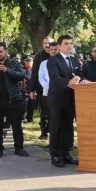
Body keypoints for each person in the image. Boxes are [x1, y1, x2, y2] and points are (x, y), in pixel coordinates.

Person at [43, 36, 81, 167]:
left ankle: (65, 154)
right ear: (59, 46)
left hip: (70, 99)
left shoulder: (74, 60)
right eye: (66, 43)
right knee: (56, 128)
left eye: (71, 43)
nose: (69, 46)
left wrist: (84, 79)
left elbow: (80, 74)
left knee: (67, 128)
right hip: (57, 99)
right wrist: (69, 82)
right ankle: (55, 155)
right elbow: (54, 78)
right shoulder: (53, 60)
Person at [29, 37, 54, 140]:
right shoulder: (39, 56)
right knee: (43, 112)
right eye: (45, 43)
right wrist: (32, 89)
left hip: (56, 88)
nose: (47, 45)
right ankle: (44, 132)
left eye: (49, 43)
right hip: (41, 89)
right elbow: (34, 73)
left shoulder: (57, 54)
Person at [22, 57, 35, 122]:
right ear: (24, 62)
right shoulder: (22, 70)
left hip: (33, 90)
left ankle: (30, 118)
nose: (28, 62)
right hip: (25, 90)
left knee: (31, 105)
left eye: (30, 61)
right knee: (25, 105)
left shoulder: (35, 70)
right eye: (27, 61)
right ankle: (23, 117)